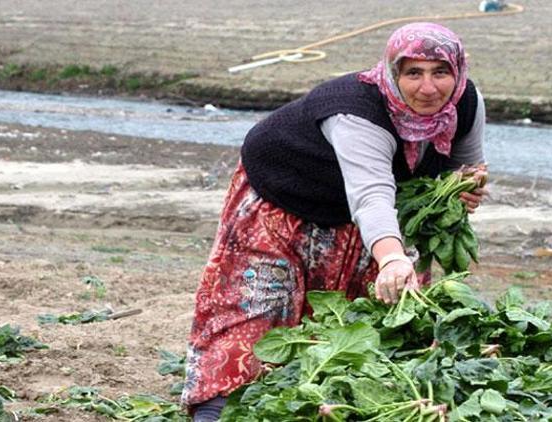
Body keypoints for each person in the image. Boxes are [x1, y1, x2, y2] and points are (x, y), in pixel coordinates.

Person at [181, 22, 488, 421]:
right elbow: (372, 194)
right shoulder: (355, 111)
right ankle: (216, 410)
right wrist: (393, 258)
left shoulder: (466, 102)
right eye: (413, 73)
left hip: (355, 221)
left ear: (457, 72)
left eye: (440, 73)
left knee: (365, 321)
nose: (428, 88)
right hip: (282, 202)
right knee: (256, 314)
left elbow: (467, 166)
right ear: (394, 74)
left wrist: (465, 187)